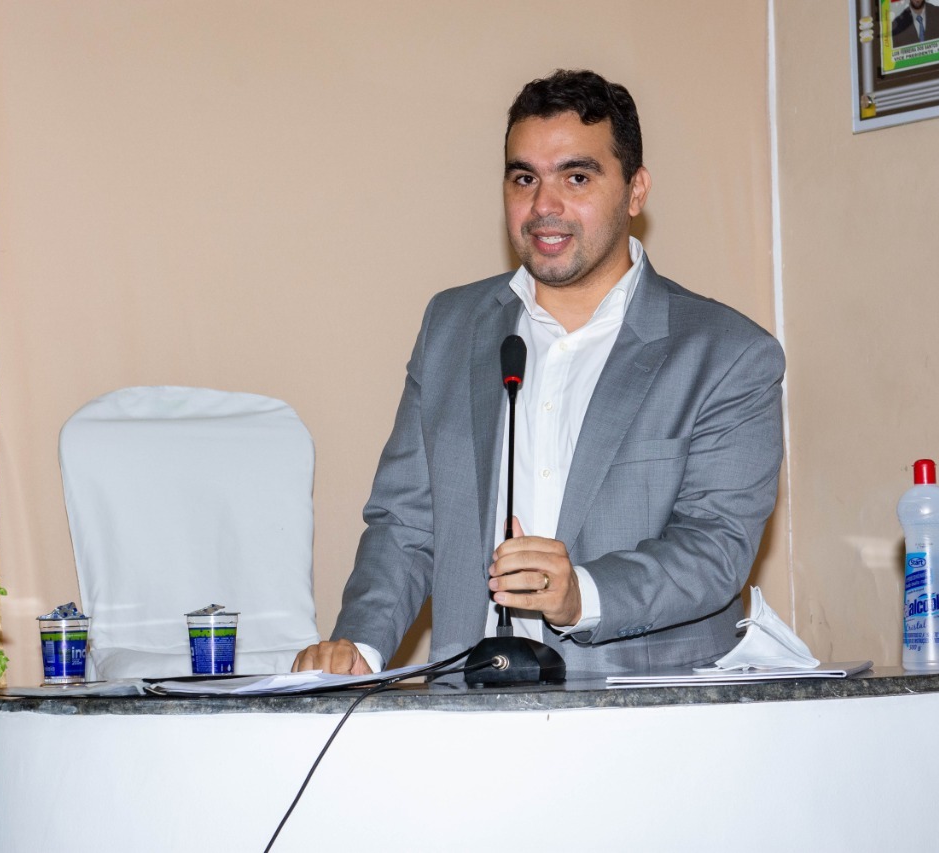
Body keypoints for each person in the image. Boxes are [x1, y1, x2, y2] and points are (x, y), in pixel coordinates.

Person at [295, 70, 784, 678]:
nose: (544, 206)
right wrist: (358, 648)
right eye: (524, 178)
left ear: (635, 191)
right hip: (470, 706)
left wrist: (582, 594)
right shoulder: (451, 326)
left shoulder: (727, 353)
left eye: (576, 177)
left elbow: (715, 546)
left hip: (645, 710)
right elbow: (406, 522)